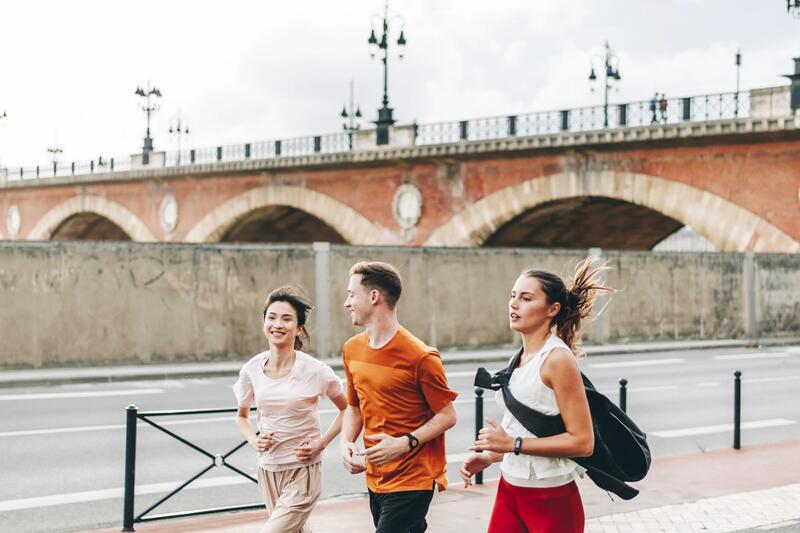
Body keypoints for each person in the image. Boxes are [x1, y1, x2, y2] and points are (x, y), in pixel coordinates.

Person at [460, 257, 612, 533]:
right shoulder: (519, 358)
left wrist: (511, 444)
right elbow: (528, 428)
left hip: (551, 499)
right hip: (510, 490)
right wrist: (493, 456)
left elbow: (582, 442)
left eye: (526, 298)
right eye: (513, 295)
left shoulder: (557, 360)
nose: (514, 304)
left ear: (552, 309)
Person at [339, 261, 458, 533]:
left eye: (351, 294)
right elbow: (354, 408)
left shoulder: (421, 356)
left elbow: (447, 414)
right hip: (375, 477)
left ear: (373, 297)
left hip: (412, 478)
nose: (347, 303)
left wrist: (406, 442)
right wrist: (346, 441)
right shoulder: (351, 349)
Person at [234, 285, 347, 533]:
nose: (277, 324)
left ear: (298, 329)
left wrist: (322, 443)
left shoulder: (315, 370)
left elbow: (347, 410)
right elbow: (242, 416)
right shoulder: (251, 369)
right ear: (264, 322)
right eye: (271, 317)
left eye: (287, 319)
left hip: (304, 469)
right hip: (268, 467)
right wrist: (254, 439)